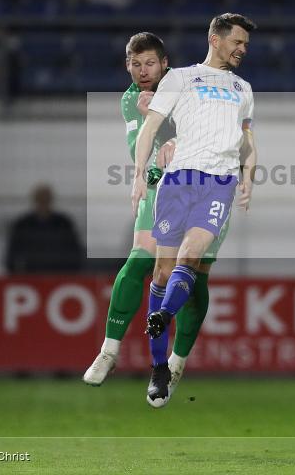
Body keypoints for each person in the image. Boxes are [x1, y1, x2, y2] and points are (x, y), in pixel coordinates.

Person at [82, 32, 230, 396]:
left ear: (165, 64)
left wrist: (178, 136)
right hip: (160, 187)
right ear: (127, 66)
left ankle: (178, 362)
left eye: (150, 63)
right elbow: (142, 144)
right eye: (136, 64)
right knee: (139, 263)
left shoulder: (189, 88)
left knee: (194, 278)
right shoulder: (132, 99)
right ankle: (109, 350)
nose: (143, 71)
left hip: (207, 185)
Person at [133, 13, 257, 408]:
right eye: (237, 42)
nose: (242, 49)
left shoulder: (243, 88)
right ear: (214, 39)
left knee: (191, 255)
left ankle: (163, 315)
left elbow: (248, 141)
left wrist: (249, 175)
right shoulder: (181, 79)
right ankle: (158, 368)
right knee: (163, 271)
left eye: (245, 45)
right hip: (178, 181)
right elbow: (151, 128)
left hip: (218, 184)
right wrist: (139, 174)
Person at [4, 183, 84, 274]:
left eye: (46, 198)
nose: (43, 202)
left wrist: (72, 274)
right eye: (41, 199)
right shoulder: (22, 224)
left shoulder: (63, 223)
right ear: (35, 200)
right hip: (31, 275)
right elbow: (12, 254)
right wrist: (17, 276)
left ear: (51, 200)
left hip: (59, 275)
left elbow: (75, 252)